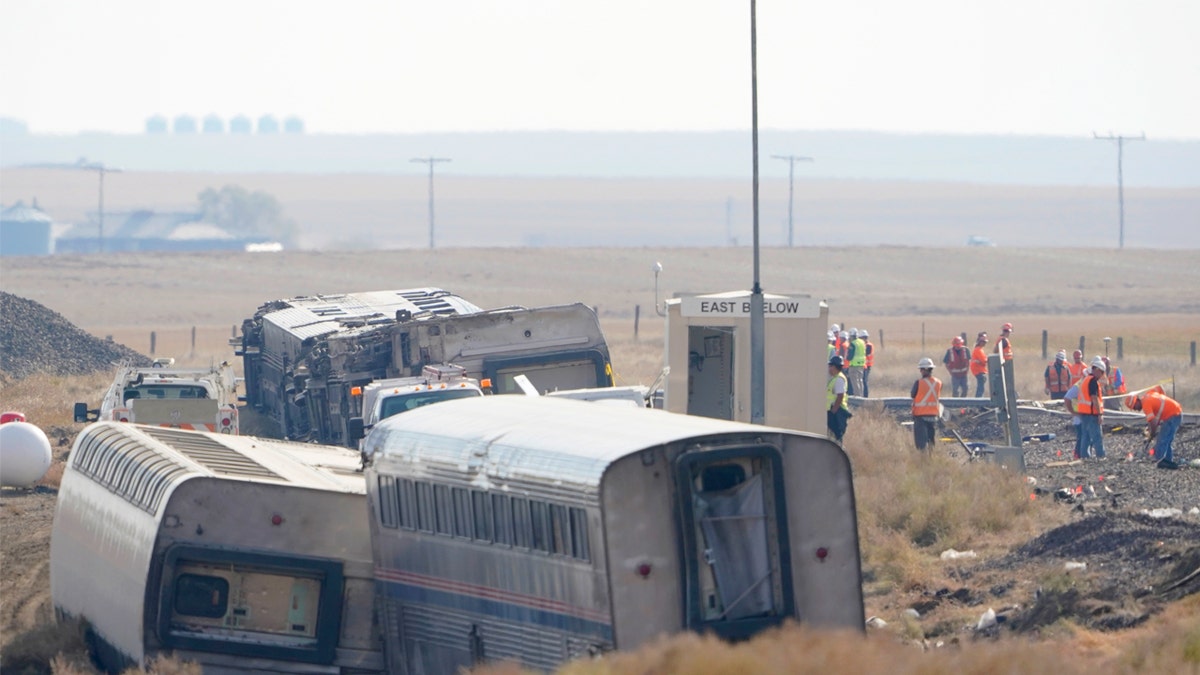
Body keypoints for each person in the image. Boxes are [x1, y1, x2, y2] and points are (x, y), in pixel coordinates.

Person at [1126, 389, 1184, 469]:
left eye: (1134, 407)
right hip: (1176, 412)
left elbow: (1153, 423)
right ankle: (1168, 462)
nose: (1135, 409)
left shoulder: (1146, 404)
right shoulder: (1148, 395)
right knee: (1167, 440)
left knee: (1162, 440)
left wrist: (1152, 433)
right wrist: (1151, 431)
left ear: (1136, 401)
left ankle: (1160, 461)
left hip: (1173, 415)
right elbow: (1159, 388)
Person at [1075, 356, 1107, 459]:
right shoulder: (1093, 381)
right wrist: (1099, 414)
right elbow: (1094, 398)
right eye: (1101, 372)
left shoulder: (1085, 380)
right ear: (1097, 370)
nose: (1102, 375)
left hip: (1084, 413)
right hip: (1092, 414)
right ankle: (1101, 456)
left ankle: (1085, 457)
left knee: (1086, 437)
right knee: (1097, 437)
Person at [910, 357, 943, 451]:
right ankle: (931, 459)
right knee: (931, 441)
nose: (920, 371)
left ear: (924, 370)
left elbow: (913, 395)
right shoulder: (939, 383)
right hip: (933, 416)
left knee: (921, 445)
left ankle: (923, 461)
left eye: (921, 369)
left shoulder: (918, 383)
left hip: (920, 416)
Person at [826, 355, 851, 443]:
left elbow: (840, 396)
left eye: (830, 366)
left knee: (837, 435)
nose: (829, 369)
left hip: (837, 411)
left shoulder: (839, 379)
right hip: (833, 410)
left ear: (834, 367)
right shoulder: (835, 378)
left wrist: (833, 411)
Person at [1063, 381, 1083, 459]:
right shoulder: (1078, 386)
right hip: (1079, 418)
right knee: (1081, 438)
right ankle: (1077, 455)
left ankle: (1082, 455)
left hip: (1084, 417)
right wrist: (1073, 412)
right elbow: (1067, 398)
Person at [847, 329, 867, 398]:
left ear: (852, 336)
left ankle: (857, 396)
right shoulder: (862, 342)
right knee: (860, 380)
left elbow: (850, 356)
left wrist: (847, 358)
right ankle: (861, 395)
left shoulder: (853, 343)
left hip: (854, 365)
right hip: (861, 364)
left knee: (855, 381)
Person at [970, 332, 989, 397]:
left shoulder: (979, 349)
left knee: (981, 387)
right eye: (983, 342)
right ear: (980, 342)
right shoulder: (978, 350)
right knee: (981, 388)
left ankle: (979, 400)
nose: (984, 343)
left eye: (985, 342)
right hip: (979, 371)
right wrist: (988, 360)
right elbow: (984, 361)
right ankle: (979, 401)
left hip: (979, 371)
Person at [860, 329, 875, 398]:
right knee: (863, 381)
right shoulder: (864, 345)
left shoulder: (868, 345)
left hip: (867, 365)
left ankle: (865, 396)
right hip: (864, 365)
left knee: (865, 381)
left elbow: (866, 353)